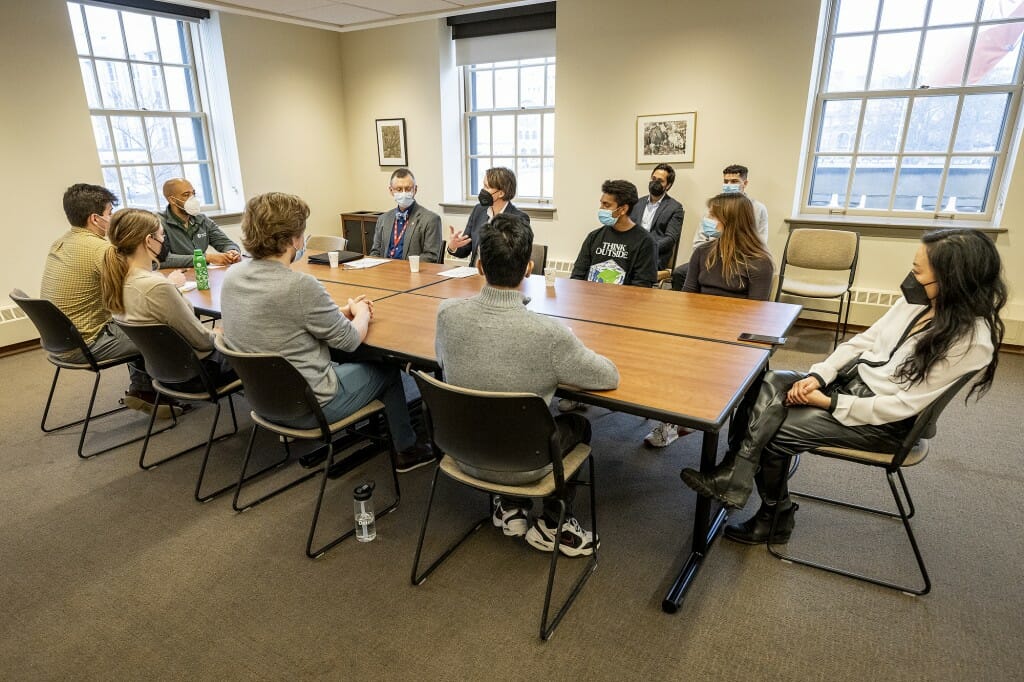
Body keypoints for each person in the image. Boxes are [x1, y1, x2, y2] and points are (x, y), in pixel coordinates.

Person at [681, 228, 1006, 545]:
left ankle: (773, 517)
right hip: (854, 384)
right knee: (767, 382)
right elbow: (863, 341)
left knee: (773, 430)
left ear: (953, 280)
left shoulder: (971, 340)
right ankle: (735, 473)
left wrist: (828, 403)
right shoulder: (917, 300)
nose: (910, 278)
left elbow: (903, 406)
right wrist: (819, 376)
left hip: (885, 421)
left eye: (918, 271)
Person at [435, 213, 619, 556]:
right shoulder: (548, 334)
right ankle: (553, 525)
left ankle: (507, 506)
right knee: (577, 424)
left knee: (494, 404)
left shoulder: (447, 314)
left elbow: (448, 365)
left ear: (478, 266)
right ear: (529, 268)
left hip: (463, 452)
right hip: (524, 464)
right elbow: (607, 376)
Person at [219, 192, 433, 473]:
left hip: (264, 400)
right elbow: (350, 340)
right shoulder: (299, 285)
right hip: (311, 405)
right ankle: (407, 450)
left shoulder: (233, 276)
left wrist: (342, 312)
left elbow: (283, 320)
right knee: (389, 370)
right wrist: (363, 314)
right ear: (295, 238)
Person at [644, 193, 775, 448]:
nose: (707, 220)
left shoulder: (760, 262)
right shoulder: (703, 252)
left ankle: (732, 435)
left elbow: (756, 315)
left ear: (730, 221)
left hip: (734, 339)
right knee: (663, 355)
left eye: (712, 216)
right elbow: (688, 297)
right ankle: (672, 420)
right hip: (699, 330)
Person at [40, 183, 180, 418]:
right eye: (110, 213)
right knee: (159, 330)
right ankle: (170, 389)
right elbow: (141, 287)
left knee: (127, 319)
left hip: (59, 340)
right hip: (87, 342)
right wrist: (172, 282)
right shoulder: (101, 250)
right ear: (96, 219)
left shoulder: (62, 242)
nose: (113, 218)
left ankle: (144, 391)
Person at [100, 208, 235, 393]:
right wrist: (219, 332)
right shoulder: (156, 286)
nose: (164, 241)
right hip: (200, 373)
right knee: (253, 339)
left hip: (165, 372)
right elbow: (203, 342)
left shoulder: (118, 279)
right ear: (149, 241)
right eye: (162, 236)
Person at [671, 164, 769, 290]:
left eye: (734, 181)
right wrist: (715, 250)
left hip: (741, 260)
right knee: (680, 273)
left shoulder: (757, 208)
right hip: (711, 256)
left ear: (745, 183)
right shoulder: (714, 206)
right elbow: (699, 242)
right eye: (725, 181)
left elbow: (760, 243)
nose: (728, 185)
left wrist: (730, 250)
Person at [569, 179, 657, 288]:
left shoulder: (645, 242)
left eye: (606, 205)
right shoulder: (594, 236)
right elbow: (577, 275)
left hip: (623, 302)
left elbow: (641, 287)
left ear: (623, 209)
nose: (601, 209)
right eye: (601, 203)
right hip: (590, 298)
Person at [447, 166, 530, 266]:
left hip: (502, 277)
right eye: (483, 186)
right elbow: (465, 249)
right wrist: (453, 246)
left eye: (487, 187)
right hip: (475, 274)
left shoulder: (519, 218)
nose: (483, 190)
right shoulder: (478, 210)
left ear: (501, 193)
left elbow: (515, 258)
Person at [158, 178, 241, 269]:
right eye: (186, 195)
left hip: (202, 273)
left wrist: (232, 252)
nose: (192, 198)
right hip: (175, 276)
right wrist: (206, 258)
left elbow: (226, 243)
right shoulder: (159, 224)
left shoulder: (202, 219)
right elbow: (163, 259)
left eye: (193, 193)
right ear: (172, 200)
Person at [369, 168, 442, 263]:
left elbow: (431, 257)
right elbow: (375, 252)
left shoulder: (430, 219)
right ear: (391, 191)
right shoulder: (383, 219)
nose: (403, 193)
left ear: (415, 190)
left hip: (412, 273)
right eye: (399, 189)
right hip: (385, 272)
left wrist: (402, 268)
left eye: (408, 189)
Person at [630, 164, 684, 270]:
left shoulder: (675, 208)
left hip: (654, 257)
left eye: (660, 181)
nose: (655, 182)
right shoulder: (637, 203)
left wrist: (646, 248)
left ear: (668, 185)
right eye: (653, 179)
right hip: (631, 253)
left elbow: (670, 239)